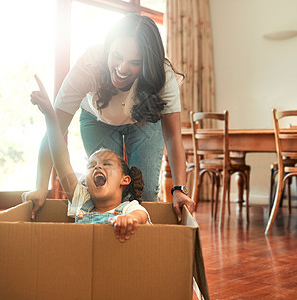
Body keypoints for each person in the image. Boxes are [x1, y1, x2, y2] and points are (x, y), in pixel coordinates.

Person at [24, 13, 194, 221]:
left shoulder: (163, 76)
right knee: (102, 192)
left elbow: (173, 138)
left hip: (143, 121)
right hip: (96, 121)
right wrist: (41, 186)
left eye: (135, 62)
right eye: (118, 56)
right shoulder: (89, 66)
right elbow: (55, 130)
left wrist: (179, 189)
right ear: (108, 48)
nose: (122, 68)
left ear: (148, 64)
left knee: (146, 193)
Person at [31, 75, 151, 242]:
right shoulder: (81, 198)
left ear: (125, 179)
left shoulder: (130, 208)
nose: (97, 167)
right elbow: (61, 159)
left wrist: (130, 220)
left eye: (106, 164)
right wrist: (50, 114)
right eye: (92, 165)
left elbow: (141, 216)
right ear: (86, 182)